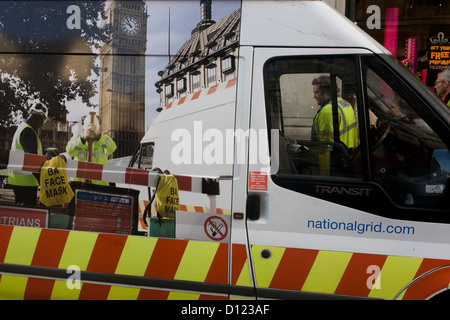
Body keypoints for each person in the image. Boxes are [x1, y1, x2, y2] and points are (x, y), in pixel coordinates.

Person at [8, 103, 48, 205]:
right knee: (26, 214)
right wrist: (43, 182)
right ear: (40, 117)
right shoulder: (28, 132)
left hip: (20, 180)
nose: (42, 124)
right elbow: (32, 158)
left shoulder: (23, 128)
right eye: (43, 120)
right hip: (26, 182)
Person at [66, 113, 116, 185]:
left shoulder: (103, 139)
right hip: (79, 183)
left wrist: (99, 137)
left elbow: (112, 148)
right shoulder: (77, 138)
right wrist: (82, 139)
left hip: (99, 184)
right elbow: (70, 151)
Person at [311, 76, 358, 149]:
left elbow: (326, 148)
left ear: (327, 92)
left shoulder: (328, 112)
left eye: (316, 92)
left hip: (335, 159)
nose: (314, 96)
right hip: (349, 154)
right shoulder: (345, 104)